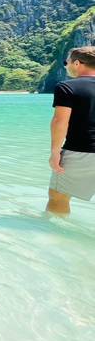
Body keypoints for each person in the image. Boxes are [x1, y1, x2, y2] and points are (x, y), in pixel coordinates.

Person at [46, 46, 95, 216]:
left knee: (58, 197)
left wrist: (55, 153)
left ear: (77, 63)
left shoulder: (67, 87)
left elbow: (60, 122)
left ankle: (55, 231)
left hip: (80, 150)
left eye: (66, 62)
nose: (65, 66)